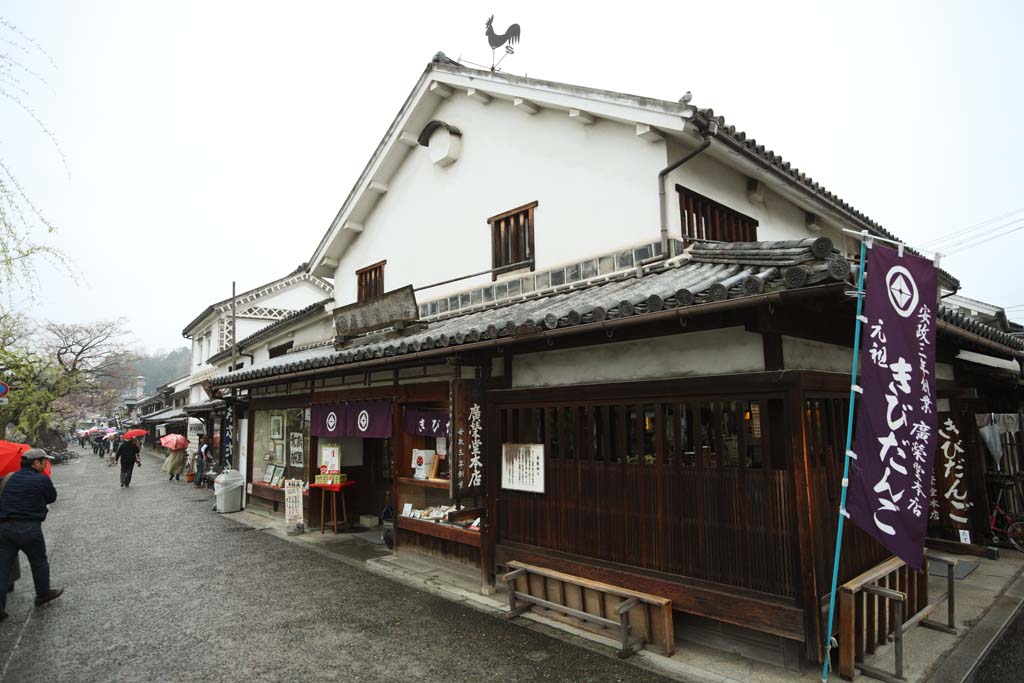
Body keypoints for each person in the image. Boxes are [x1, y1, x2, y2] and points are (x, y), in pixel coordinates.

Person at [0, 448, 64, 622]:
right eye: (44, 461)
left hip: (4, 528)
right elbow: (51, 498)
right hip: (28, 528)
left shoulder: (8, 477)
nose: (46, 464)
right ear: (36, 463)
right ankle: (43, 594)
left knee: (2, 567)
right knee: (38, 561)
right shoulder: (41, 479)